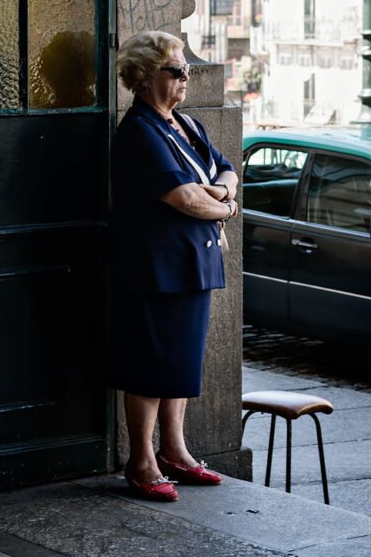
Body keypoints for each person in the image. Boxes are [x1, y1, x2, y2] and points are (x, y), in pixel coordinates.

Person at [109, 30, 239, 502]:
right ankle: (141, 461)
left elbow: (227, 169)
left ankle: (175, 452)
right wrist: (225, 207)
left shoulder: (185, 125)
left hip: (193, 260)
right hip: (155, 265)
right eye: (176, 70)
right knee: (150, 363)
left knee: (180, 361)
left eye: (187, 70)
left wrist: (220, 192)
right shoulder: (140, 131)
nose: (186, 78)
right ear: (144, 78)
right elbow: (184, 198)